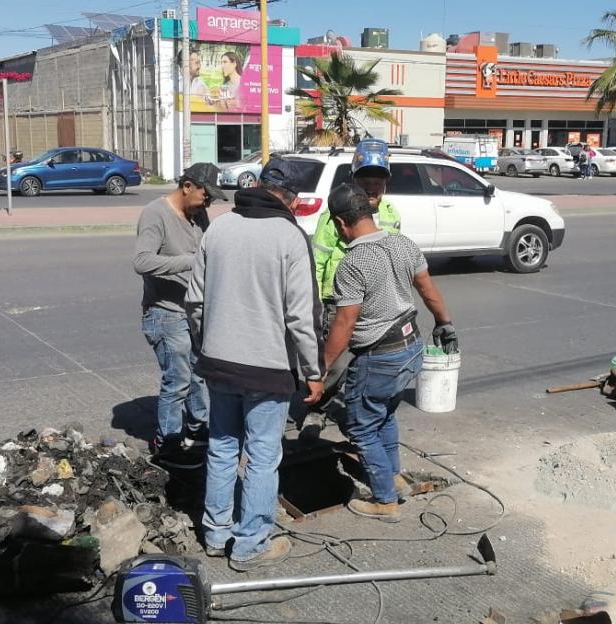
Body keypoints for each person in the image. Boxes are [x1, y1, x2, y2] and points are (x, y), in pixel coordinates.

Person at [185, 157, 325, 571]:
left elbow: (194, 302)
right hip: (269, 369)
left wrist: (207, 344)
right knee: (263, 456)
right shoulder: (290, 237)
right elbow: (302, 316)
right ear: (291, 198)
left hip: (219, 364)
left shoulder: (220, 228)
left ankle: (215, 533)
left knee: (223, 448)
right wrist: (313, 372)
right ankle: (250, 543)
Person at [321, 183, 457, 523]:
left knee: (362, 426)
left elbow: (345, 323)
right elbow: (428, 289)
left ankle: (385, 501)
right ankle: (394, 477)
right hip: (411, 347)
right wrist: (445, 323)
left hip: (379, 357)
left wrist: (320, 368)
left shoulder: (352, 263)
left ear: (340, 223)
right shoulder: (402, 243)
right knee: (385, 414)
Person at [134, 162, 228, 461]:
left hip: (194, 310)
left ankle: (197, 430)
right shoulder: (155, 213)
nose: (208, 202)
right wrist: (188, 261)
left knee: (200, 374)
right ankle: (168, 443)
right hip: (165, 312)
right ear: (187, 186)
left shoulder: (198, 213)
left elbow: (208, 250)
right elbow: (142, 261)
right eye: (205, 194)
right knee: (178, 381)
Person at [310, 139, 402, 409]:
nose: (372, 187)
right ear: (353, 181)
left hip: (375, 306)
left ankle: (356, 418)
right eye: (365, 180)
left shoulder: (390, 213)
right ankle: (312, 407)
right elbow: (317, 261)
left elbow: (394, 258)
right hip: (338, 302)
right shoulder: (332, 215)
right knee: (335, 364)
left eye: (378, 181)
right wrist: (314, 305)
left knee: (368, 366)